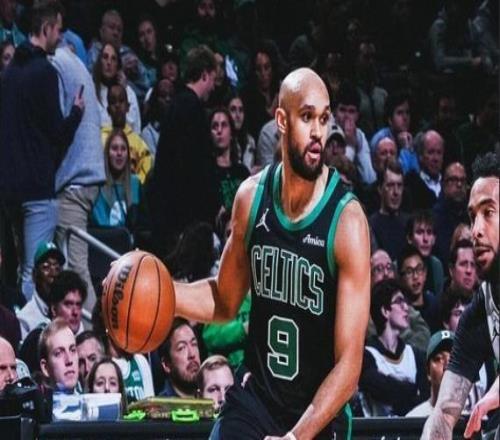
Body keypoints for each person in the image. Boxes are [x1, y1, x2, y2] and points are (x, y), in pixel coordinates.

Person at [172, 68, 371, 439]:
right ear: (282, 120)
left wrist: (295, 437)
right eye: (307, 117)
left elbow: (349, 365)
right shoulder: (251, 198)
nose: (318, 132)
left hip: (317, 415)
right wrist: (166, 294)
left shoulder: (347, 221)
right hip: (257, 401)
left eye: (324, 119)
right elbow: (225, 300)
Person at [0, 0, 84, 300]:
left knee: (19, 265)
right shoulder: (45, 72)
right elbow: (56, 134)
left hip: (10, 188)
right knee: (33, 270)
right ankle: (29, 328)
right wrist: (76, 113)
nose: (60, 38)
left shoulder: (10, 72)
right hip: (37, 187)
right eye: (58, 30)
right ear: (46, 29)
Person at [422, 151, 499, 439]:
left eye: (488, 213)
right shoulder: (479, 312)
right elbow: (443, 412)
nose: (475, 230)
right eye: (472, 216)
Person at [52, 42, 105, 314]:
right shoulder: (74, 62)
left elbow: (53, 127)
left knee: (75, 269)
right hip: (85, 176)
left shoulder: (54, 64)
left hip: (75, 178)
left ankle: (94, 332)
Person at [152, 45, 220, 256]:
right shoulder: (192, 109)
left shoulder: (176, 105)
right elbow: (194, 169)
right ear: (205, 74)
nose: (213, 87)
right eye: (213, 79)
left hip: (170, 217)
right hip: (185, 222)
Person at [358, 279, 428, 417]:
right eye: (399, 301)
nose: (406, 307)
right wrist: (412, 390)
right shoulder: (366, 355)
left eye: (405, 302)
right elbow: (379, 389)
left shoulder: (415, 355)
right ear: (385, 311)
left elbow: (424, 399)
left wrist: (394, 387)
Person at [100, 83, 152, 184]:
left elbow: (147, 168)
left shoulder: (138, 142)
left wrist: (137, 181)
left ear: (128, 107)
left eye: (121, 101)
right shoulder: (100, 138)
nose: (117, 105)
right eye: (113, 102)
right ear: (108, 110)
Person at [92, 129, 142, 231]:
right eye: (114, 148)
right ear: (107, 154)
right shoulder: (98, 185)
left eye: (123, 149)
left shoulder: (136, 184)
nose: (119, 153)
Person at [16, 241, 64, 339]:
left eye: (57, 268)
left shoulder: (69, 312)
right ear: (34, 275)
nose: (53, 274)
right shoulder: (25, 319)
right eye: (46, 267)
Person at [333, 81, 376, 185]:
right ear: (335, 112)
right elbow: (338, 178)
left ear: (357, 115)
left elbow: (370, 179)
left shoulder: (359, 135)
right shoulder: (326, 130)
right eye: (342, 110)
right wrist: (350, 146)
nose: (346, 116)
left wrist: (358, 148)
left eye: (351, 111)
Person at [92, 42, 141, 134]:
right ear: (100, 62)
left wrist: (125, 92)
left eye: (113, 59)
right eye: (105, 57)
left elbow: (136, 130)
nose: (109, 62)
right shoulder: (91, 90)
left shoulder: (129, 92)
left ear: (118, 65)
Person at [210, 107, 250, 213]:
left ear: (231, 133)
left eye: (224, 125)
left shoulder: (242, 172)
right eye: (215, 126)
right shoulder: (206, 172)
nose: (219, 130)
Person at [369, 159, 410, 261]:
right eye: (390, 185)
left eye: (399, 185)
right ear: (380, 189)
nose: (396, 192)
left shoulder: (410, 223)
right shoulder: (371, 225)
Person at [406, 330, 454, 417]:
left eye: (453, 359)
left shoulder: (475, 416)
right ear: (428, 371)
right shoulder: (414, 418)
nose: (447, 366)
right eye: (438, 358)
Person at [432, 162, 469, 267]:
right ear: (443, 185)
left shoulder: (471, 215)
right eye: (454, 180)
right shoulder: (434, 219)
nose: (459, 185)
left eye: (463, 180)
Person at [398, 246, 441, 333]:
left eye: (419, 269)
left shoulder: (436, 307)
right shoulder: (400, 313)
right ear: (401, 279)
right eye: (409, 272)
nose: (415, 276)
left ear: (425, 273)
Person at [158, 318, 201, 398]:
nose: (192, 354)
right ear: (166, 364)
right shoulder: (161, 405)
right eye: (182, 348)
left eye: (194, 344)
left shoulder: (211, 395)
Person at [405, 130, 445, 210]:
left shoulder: (448, 184)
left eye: (439, 153)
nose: (435, 158)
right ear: (420, 156)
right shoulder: (411, 186)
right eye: (431, 152)